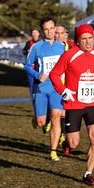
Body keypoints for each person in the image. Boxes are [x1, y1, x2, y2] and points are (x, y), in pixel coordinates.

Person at [49, 24, 94, 186]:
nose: (87, 42)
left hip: (93, 103)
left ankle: (88, 173)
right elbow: (54, 74)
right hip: (73, 104)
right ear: (77, 40)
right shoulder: (69, 55)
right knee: (73, 143)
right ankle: (65, 143)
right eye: (83, 39)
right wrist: (63, 90)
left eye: (90, 38)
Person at [24, 16, 65, 162]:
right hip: (41, 88)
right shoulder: (37, 47)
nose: (49, 32)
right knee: (41, 122)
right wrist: (37, 74)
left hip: (56, 88)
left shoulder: (62, 46)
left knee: (56, 116)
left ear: (55, 28)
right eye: (46, 29)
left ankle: (53, 151)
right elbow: (26, 66)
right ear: (42, 31)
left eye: (51, 28)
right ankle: (37, 119)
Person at [23, 28, 41, 99]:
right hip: (31, 67)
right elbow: (24, 51)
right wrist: (28, 53)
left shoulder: (42, 42)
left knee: (39, 84)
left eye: (36, 33)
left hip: (40, 67)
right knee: (31, 83)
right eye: (33, 33)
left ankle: (39, 97)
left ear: (39, 33)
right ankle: (33, 98)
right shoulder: (29, 43)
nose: (35, 34)